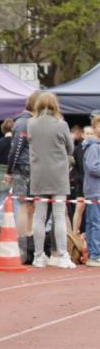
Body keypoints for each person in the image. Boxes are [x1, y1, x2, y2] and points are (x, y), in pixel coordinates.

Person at [27, 92, 75, 268]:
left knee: (39, 216)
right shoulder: (61, 124)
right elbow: (70, 148)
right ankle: (62, 255)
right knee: (59, 215)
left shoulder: (30, 124)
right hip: (59, 175)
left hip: (38, 175)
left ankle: (38, 256)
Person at [6, 91, 41, 255]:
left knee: (30, 205)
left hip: (32, 167)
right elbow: (16, 149)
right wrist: (10, 170)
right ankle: (22, 242)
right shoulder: (23, 122)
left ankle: (29, 241)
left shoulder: (31, 121)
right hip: (23, 167)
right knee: (23, 206)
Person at [82, 114, 100, 267]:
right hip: (95, 191)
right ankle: (94, 255)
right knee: (95, 224)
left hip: (94, 190)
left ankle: (93, 253)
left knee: (92, 223)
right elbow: (93, 167)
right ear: (94, 129)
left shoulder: (93, 146)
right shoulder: (94, 146)